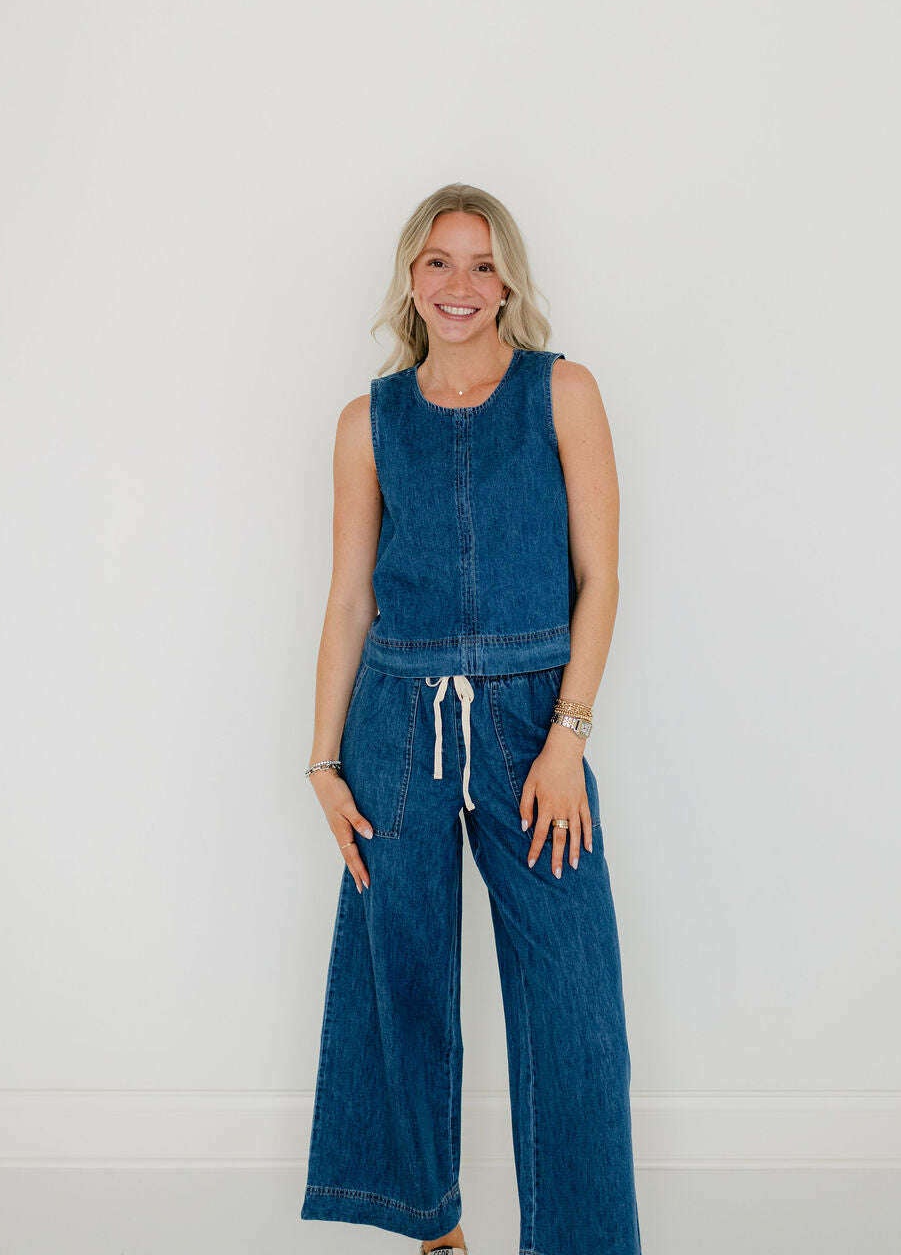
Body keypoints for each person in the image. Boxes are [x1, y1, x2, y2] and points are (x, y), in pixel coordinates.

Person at [300, 184, 643, 1255]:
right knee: (399, 982)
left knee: (574, 1004)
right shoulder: (368, 422)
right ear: (411, 279)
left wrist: (568, 735)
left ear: (508, 282)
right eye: (440, 263)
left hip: (532, 722)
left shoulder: (562, 392)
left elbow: (600, 579)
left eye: (483, 264)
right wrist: (323, 761)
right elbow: (349, 598)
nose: (461, 285)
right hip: (396, 726)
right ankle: (433, 1231)